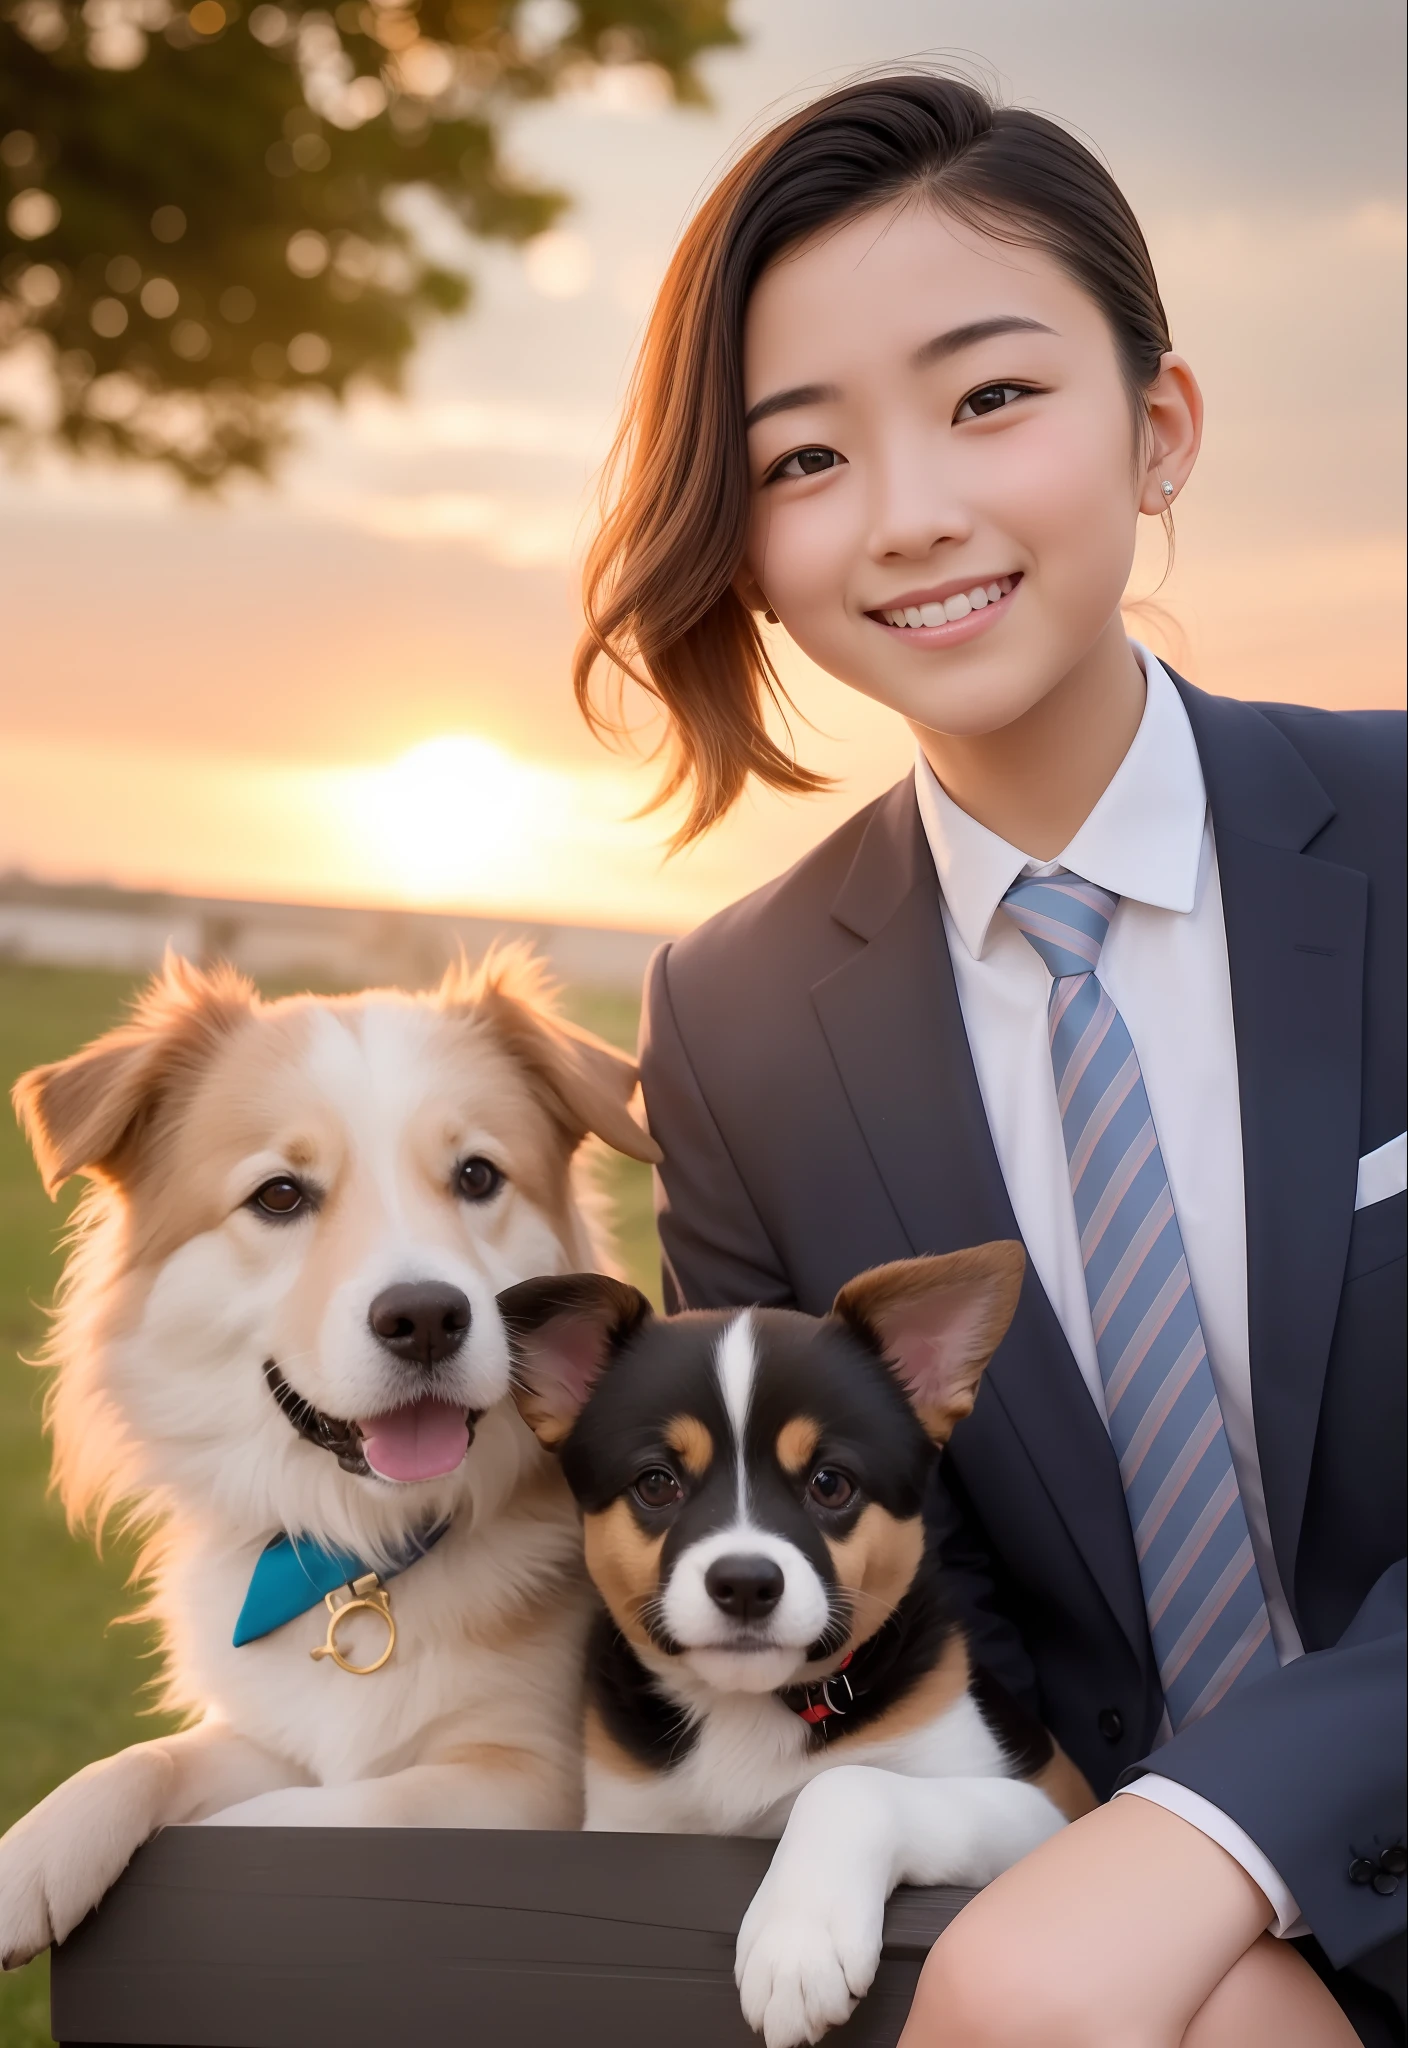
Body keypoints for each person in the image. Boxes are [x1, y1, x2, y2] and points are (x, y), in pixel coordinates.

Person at [572, 73, 1406, 2048]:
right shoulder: (738, 1017)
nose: (910, 509)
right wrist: (1073, 1860)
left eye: (988, 398)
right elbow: (854, 1547)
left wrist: (1205, 1844)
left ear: (1158, 427)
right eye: (801, 457)